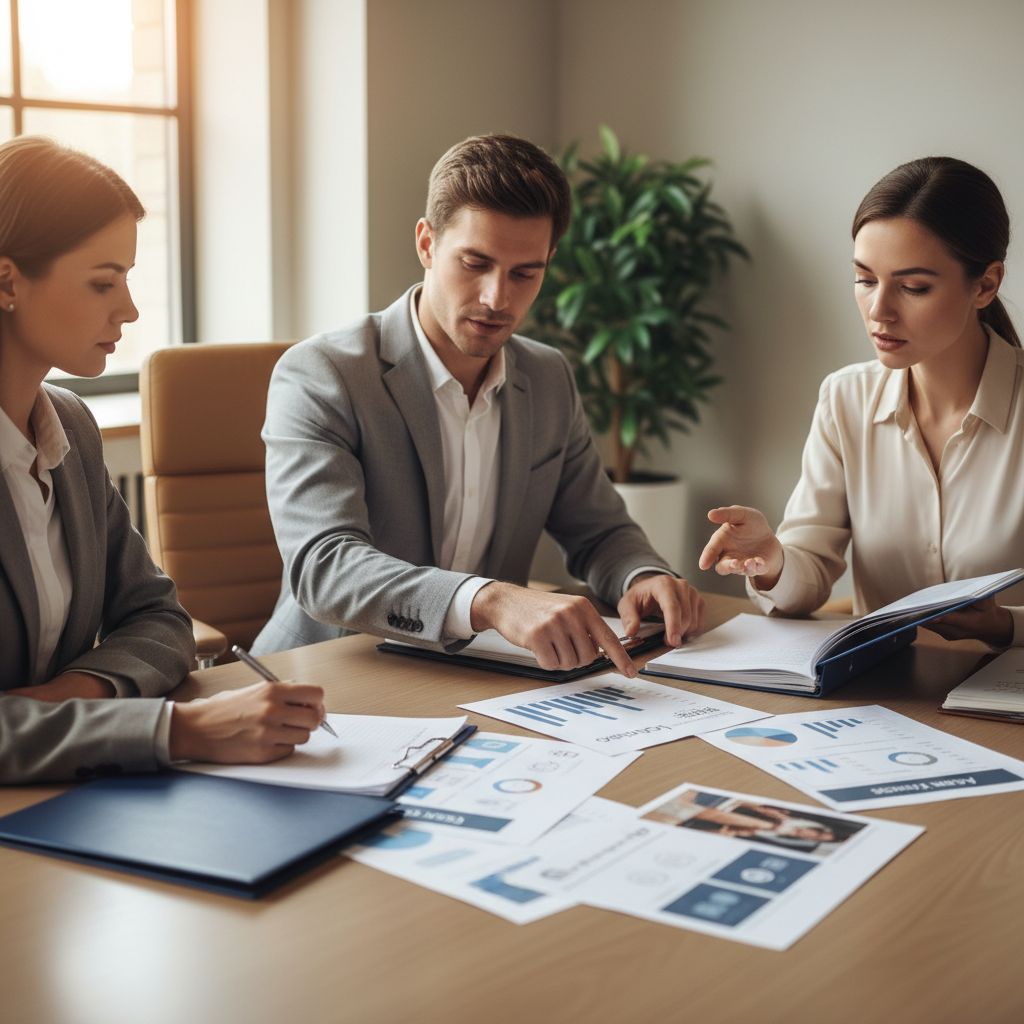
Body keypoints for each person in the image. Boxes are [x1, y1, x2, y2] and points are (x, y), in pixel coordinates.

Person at [252, 134, 704, 673]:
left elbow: (599, 529)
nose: (497, 298)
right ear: (426, 244)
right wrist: (489, 599)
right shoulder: (325, 374)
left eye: (524, 274)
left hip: (479, 676)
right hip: (331, 674)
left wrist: (642, 576)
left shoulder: (547, 377)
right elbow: (325, 568)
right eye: (475, 263)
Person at [0, 137, 327, 783]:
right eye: (104, 281)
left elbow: (158, 617)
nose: (129, 309)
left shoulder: (67, 425)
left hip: (61, 793)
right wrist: (177, 728)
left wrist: (70, 702)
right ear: (7, 280)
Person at [699, 156, 1024, 647]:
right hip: (885, 701)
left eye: (914, 287)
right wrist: (772, 558)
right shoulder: (845, 397)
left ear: (985, 285)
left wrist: (1007, 625)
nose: (879, 311)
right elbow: (807, 577)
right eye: (866, 280)